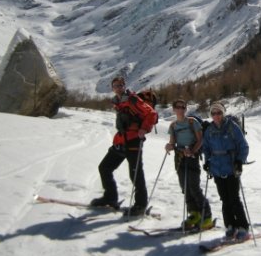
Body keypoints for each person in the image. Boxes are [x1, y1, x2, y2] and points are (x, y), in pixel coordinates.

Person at [90, 77, 157, 215]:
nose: (118, 87)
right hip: (121, 141)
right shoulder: (118, 102)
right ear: (112, 88)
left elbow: (152, 114)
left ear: (124, 86)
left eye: (120, 85)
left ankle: (140, 205)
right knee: (105, 167)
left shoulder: (133, 99)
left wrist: (144, 129)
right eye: (115, 86)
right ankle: (110, 197)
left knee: (136, 174)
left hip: (133, 141)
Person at [202, 102, 250, 240]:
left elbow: (243, 145)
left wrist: (240, 161)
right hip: (217, 168)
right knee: (224, 199)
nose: (216, 116)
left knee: (234, 198)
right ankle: (230, 225)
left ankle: (243, 227)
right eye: (213, 113)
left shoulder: (232, 127)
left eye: (219, 113)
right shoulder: (210, 130)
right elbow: (206, 148)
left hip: (231, 167)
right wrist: (207, 162)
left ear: (223, 113)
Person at [165, 98, 213, 230]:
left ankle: (206, 216)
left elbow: (200, 140)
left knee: (194, 187)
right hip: (180, 158)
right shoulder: (173, 125)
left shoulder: (192, 122)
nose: (180, 109)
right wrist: (169, 146)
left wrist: (192, 150)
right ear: (174, 109)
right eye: (178, 107)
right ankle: (194, 214)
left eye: (182, 107)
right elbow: (172, 141)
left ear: (185, 109)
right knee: (185, 187)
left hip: (192, 157)